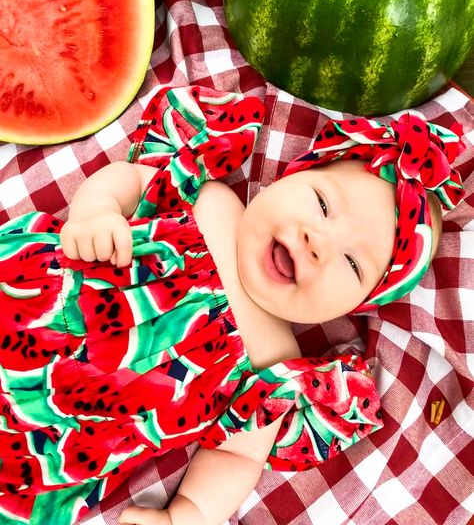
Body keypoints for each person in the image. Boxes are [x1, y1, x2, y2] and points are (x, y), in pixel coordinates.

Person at [0, 85, 464, 525]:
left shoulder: (276, 365)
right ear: (290, 178)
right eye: (322, 205)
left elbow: (234, 456)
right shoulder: (210, 201)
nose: (317, 242)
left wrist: (188, 513)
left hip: (53, 441)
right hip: (23, 299)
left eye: (351, 263)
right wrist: (95, 212)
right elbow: (131, 179)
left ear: (356, 306)